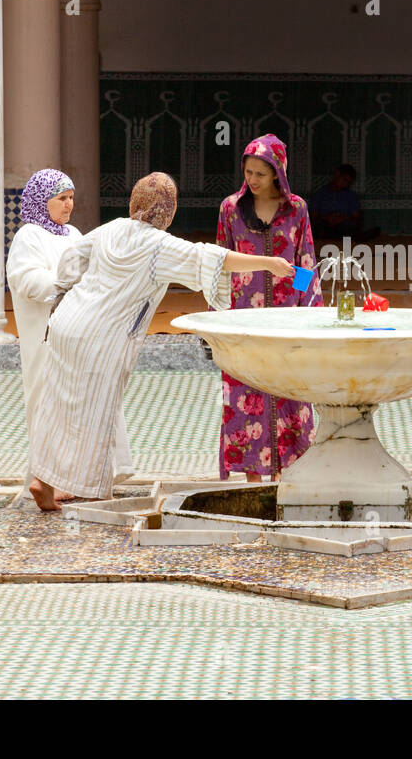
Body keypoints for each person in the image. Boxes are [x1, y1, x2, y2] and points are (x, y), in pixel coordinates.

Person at [25, 172, 294, 511]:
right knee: (96, 412)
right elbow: (212, 258)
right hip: (100, 337)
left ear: (135, 203)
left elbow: (71, 261)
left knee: (57, 407)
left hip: (67, 322)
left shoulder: (112, 228)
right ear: (167, 211)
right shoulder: (158, 245)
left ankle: (43, 482)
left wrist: (72, 290)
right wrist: (268, 264)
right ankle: (93, 496)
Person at [6, 168, 131, 505]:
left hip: (80, 336)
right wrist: (66, 286)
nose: (69, 205)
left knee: (83, 405)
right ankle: (46, 479)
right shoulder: (28, 237)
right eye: (62, 198)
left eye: (71, 198)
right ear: (42, 200)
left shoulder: (73, 233)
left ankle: (73, 478)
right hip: (47, 340)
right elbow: (25, 280)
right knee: (51, 405)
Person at [216, 134, 323, 483]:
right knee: (246, 392)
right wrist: (218, 316)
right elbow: (219, 261)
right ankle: (253, 482)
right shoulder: (231, 208)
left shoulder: (297, 209)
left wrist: (308, 313)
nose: (253, 180)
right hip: (243, 320)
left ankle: (287, 481)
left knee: (289, 392)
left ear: (278, 172)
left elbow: (305, 261)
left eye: (261, 173)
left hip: (286, 320)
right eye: (248, 172)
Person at [310, 164, 379, 241]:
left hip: (343, 227)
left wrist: (343, 218)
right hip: (325, 226)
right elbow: (313, 217)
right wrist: (328, 218)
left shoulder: (351, 196)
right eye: (344, 180)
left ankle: (352, 236)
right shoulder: (319, 194)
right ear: (337, 174)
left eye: (349, 183)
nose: (345, 184)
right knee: (318, 228)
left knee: (350, 228)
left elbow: (357, 218)